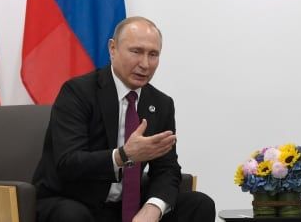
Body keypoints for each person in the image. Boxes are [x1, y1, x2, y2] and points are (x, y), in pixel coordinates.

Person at [33, 16, 215, 222]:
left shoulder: (162, 104)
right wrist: (123, 155)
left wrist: (152, 208)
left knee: (199, 204)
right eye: (136, 51)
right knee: (72, 216)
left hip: (127, 208)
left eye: (153, 54)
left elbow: (167, 168)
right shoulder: (77, 92)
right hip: (73, 201)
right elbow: (68, 163)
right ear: (113, 49)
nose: (145, 64)